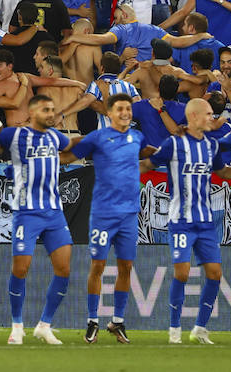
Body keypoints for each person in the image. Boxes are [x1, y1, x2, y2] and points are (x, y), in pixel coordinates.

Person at [150, 97, 231, 345]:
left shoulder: (212, 145)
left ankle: (199, 328)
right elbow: (149, 163)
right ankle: (174, 328)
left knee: (215, 273)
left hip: (206, 222)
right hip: (181, 220)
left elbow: (221, 172)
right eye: (209, 114)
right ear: (195, 116)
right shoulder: (173, 144)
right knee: (182, 273)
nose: (213, 117)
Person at [69, 92, 152, 344]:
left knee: (126, 267)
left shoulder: (137, 137)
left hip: (129, 214)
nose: (125, 113)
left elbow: (149, 155)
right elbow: (71, 154)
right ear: (109, 113)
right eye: (120, 109)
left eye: (128, 108)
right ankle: (92, 320)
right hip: (103, 214)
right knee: (98, 266)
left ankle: (117, 321)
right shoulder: (97, 137)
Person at [0, 95, 76, 345]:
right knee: (21, 268)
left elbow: (70, 149)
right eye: (46, 109)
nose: (52, 114)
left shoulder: (56, 137)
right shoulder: (14, 135)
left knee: (64, 269)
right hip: (26, 212)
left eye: (53, 109)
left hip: (54, 212)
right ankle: (17, 325)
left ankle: (44, 324)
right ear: (31, 113)